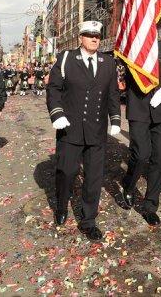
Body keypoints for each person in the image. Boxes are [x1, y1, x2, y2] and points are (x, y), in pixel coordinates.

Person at [46, 21, 121, 240]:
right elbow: (54, 88)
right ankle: (61, 206)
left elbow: (113, 94)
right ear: (81, 37)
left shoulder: (107, 62)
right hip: (71, 129)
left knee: (94, 178)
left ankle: (88, 220)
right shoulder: (67, 58)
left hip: (96, 130)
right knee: (67, 172)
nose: (94, 39)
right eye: (89, 35)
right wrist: (57, 114)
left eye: (97, 35)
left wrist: (115, 118)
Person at [120, 38, 161, 225]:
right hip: (139, 108)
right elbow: (123, 72)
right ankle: (128, 186)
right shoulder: (133, 43)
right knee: (141, 155)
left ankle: (150, 206)